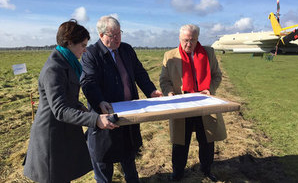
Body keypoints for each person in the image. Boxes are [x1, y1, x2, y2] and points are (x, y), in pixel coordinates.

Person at [23, 19, 118, 183]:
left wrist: (85, 110)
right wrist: (94, 120)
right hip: (51, 137)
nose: (85, 50)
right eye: (82, 45)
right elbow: (59, 109)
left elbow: (68, 100)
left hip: (63, 133)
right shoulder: (54, 68)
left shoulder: (67, 63)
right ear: (69, 43)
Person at [80, 15, 162, 183]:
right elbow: (88, 82)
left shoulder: (126, 49)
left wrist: (151, 91)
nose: (117, 38)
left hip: (129, 111)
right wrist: (99, 102)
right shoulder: (91, 54)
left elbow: (139, 73)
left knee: (128, 153)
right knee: (104, 157)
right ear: (101, 35)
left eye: (119, 33)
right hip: (105, 114)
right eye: (112, 35)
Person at [159, 24, 227, 182]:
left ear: (197, 39)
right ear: (179, 38)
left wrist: (209, 89)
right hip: (182, 105)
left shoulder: (208, 53)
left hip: (204, 103)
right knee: (180, 142)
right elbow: (164, 80)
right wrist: (169, 93)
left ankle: (206, 169)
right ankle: (177, 172)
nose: (188, 44)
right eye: (185, 40)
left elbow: (217, 75)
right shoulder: (170, 56)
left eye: (192, 40)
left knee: (207, 140)